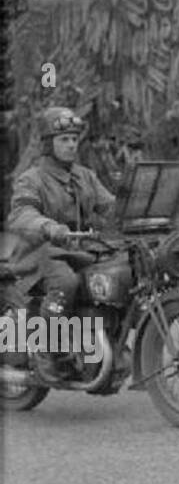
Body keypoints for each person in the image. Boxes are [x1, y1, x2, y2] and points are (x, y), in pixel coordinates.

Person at [6, 108, 116, 346]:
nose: (71, 145)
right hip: (40, 256)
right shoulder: (32, 179)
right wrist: (49, 227)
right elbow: (21, 214)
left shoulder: (85, 176)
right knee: (65, 283)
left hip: (77, 253)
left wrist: (137, 212)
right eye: (64, 139)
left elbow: (111, 207)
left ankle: (101, 341)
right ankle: (48, 352)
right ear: (48, 144)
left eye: (75, 139)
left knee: (118, 275)